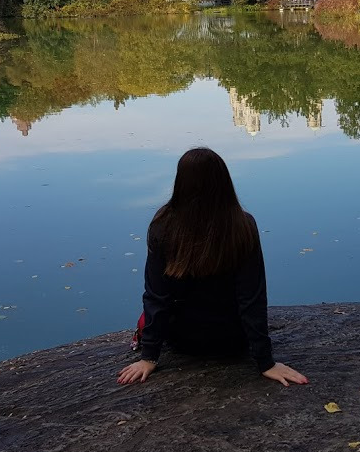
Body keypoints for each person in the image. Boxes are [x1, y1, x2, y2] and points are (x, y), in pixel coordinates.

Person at [117, 147, 308, 387]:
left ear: (180, 183)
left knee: (147, 315)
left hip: (182, 340)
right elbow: (252, 298)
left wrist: (149, 357)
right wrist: (265, 362)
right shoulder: (243, 225)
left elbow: (156, 296)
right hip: (232, 341)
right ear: (224, 181)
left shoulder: (162, 225)